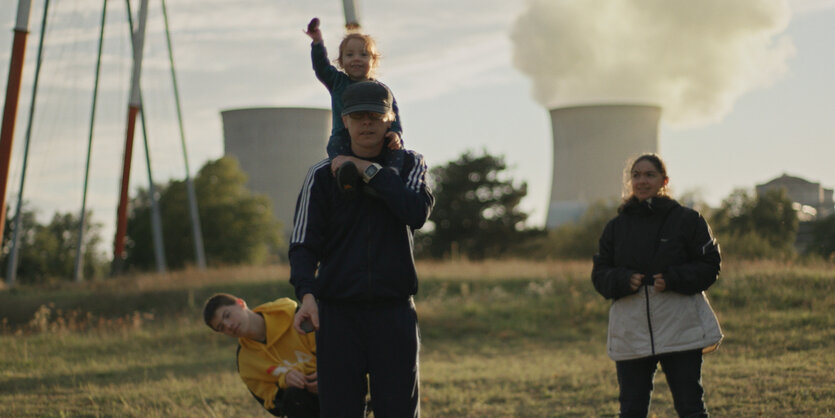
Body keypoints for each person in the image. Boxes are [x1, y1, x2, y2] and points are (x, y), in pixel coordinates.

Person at [289, 80, 434, 417]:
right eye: (358, 116)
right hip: (337, 316)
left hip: (394, 312)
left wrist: (370, 171)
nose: (366, 122)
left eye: (374, 115)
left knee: (397, 411)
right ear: (345, 121)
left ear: (389, 118)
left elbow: (415, 213)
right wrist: (306, 294)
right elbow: (302, 244)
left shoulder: (411, 164)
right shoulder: (322, 175)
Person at [591, 153, 723, 418]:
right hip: (632, 331)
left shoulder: (688, 220)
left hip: (680, 328)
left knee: (690, 407)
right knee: (631, 410)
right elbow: (600, 274)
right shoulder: (616, 228)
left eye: (649, 174)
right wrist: (623, 280)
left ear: (664, 180)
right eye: (636, 175)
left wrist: (674, 279)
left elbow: (710, 265)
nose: (642, 181)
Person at [304, 17, 407, 193]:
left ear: (373, 60)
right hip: (343, 136)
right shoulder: (337, 82)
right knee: (336, 148)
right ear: (341, 62)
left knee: (397, 149)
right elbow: (321, 67)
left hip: (375, 138)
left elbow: (393, 113)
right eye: (350, 55)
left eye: (363, 54)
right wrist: (317, 42)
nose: (356, 59)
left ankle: (391, 174)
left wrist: (395, 132)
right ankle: (345, 176)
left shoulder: (381, 90)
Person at [203, 294, 319, 418]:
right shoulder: (245, 360)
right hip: (307, 402)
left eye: (227, 315)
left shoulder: (294, 316)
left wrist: (321, 375)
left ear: (240, 303)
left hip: (334, 381)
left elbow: (333, 351)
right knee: (294, 396)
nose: (228, 325)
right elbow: (273, 405)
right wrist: (284, 380)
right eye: (222, 327)